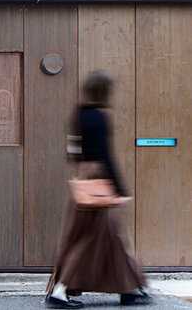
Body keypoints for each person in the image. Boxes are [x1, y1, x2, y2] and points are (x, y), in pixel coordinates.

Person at [45, 71, 150, 309]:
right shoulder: (100, 118)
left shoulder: (78, 115)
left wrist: (81, 172)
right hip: (99, 181)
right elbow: (105, 155)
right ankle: (60, 291)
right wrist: (120, 190)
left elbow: (71, 150)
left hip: (83, 180)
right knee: (92, 237)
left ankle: (128, 288)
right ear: (105, 91)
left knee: (108, 235)